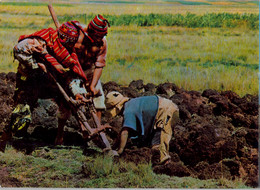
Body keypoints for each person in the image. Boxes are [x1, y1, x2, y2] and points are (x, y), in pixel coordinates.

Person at [0, 21, 87, 152]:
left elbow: (72, 74)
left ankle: (71, 133)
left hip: (50, 81)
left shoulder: (68, 53)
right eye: (70, 42)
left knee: (67, 102)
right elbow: (18, 49)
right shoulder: (38, 41)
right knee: (22, 111)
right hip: (29, 79)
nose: (72, 46)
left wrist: (78, 93)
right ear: (64, 38)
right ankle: (10, 140)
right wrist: (36, 65)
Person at [54, 15, 110, 145]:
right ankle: (59, 136)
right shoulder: (77, 36)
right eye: (98, 37)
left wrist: (92, 86)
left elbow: (99, 65)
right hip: (73, 73)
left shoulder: (102, 43)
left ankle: (98, 132)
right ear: (91, 32)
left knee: (98, 101)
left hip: (90, 72)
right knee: (67, 105)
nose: (100, 39)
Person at [105, 91, 179, 165]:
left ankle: (166, 166)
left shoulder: (128, 111)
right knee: (151, 142)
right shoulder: (131, 104)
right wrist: (114, 147)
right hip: (165, 108)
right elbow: (123, 131)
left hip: (166, 111)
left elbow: (125, 133)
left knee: (158, 146)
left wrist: (119, 151)